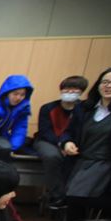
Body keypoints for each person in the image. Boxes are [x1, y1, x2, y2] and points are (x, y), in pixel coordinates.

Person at [59, 67, 111, 221]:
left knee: (103, 212)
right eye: (105, 82)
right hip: (81, 164)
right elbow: (69, 132)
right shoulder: (84, 108)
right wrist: (67, 142)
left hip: (110, 167)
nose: (109, 86)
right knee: (74, 205)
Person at [32, 75, 89, 207]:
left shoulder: (84, 110)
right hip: (47, 141)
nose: (69, 93)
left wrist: (69, 145)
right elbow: (45, 131)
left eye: (74, 91)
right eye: (66, 90)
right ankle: (57, 196)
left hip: (72, 143)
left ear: (81, 92)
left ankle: (72, 195)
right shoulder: (48, 108)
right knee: (52, 156)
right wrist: (61, 144)